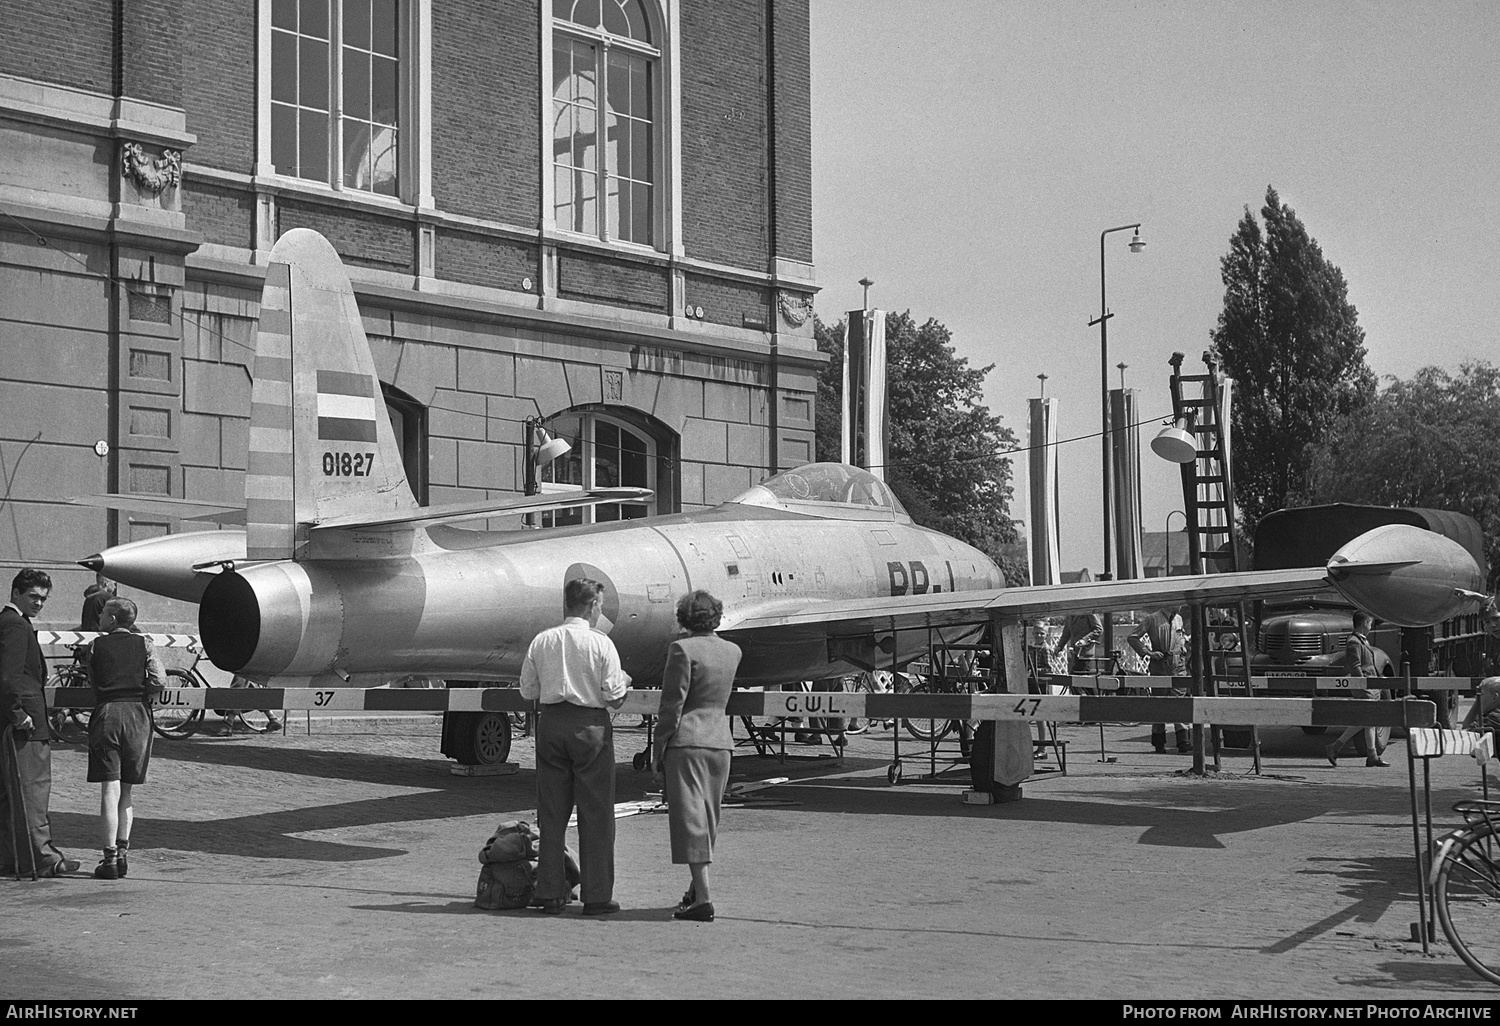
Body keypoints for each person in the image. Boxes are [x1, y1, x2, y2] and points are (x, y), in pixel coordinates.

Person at [519, 578, 630, 915]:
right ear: (593, 605)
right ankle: (596, 895)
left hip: (551, 723)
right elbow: (614, 697)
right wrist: (624, 682)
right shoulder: (601, 644)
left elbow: (527, 690)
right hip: (589, 725)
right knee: (596, 812)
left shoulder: (542, 640)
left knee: (551, 812)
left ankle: (550, 890)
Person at [654, 590, 741, 923]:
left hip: (687, 741)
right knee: (709, 818)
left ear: (684, 619)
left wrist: (659, 748)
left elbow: (672, 705)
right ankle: (695, 889)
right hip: (721, 741)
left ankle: (703, 898)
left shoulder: (682, 650)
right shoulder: (733, 652)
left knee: (690, 820)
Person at [0, 568, 80, 878]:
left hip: (12, 721)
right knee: (31, 792)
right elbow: (8, 678)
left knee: (9, 794)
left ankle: (10, 857)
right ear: (16, 593)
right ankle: (44, 859)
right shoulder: (16, 625)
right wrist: (19, 714)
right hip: (24, 725)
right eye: (33, 597)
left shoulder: (9, 623)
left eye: (43, 599)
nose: (39, 603)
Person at [81, 597, 165, 879]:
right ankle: (124, 853)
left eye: (104, 613)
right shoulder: (145, 643)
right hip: (138, 716)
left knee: (109, 788)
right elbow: (158, 679)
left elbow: (92, 678)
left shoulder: (95, 645)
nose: (100, 617)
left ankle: (109, 859)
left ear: (113, 619)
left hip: (107, 713)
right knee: (127, 790)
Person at [1325, 612, 1389, 768]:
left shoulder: (1361, 640)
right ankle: (1338, 747)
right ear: (1364, 623)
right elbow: (1356, 667)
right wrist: (1363, 685)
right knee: (1367, 720)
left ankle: (1369, 755)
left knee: (1368, 721)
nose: (1370, 627)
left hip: (1369, 686)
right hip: (1364, 688)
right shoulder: (1354, 642)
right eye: (1369, 624)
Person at [1129, 605, 1191, 754]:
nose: (1181, 605)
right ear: (1169, 602)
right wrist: (1149, 653)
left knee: (1179, 702)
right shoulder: (1152, 619)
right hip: (1160, 666)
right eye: (1178, 602)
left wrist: (1183, 643)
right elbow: (1132, 637)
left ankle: (1183, 741)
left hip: (1178, 666)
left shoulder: (1178, 619)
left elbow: (1180, 637)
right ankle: (1159, 742)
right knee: (1159, 703)